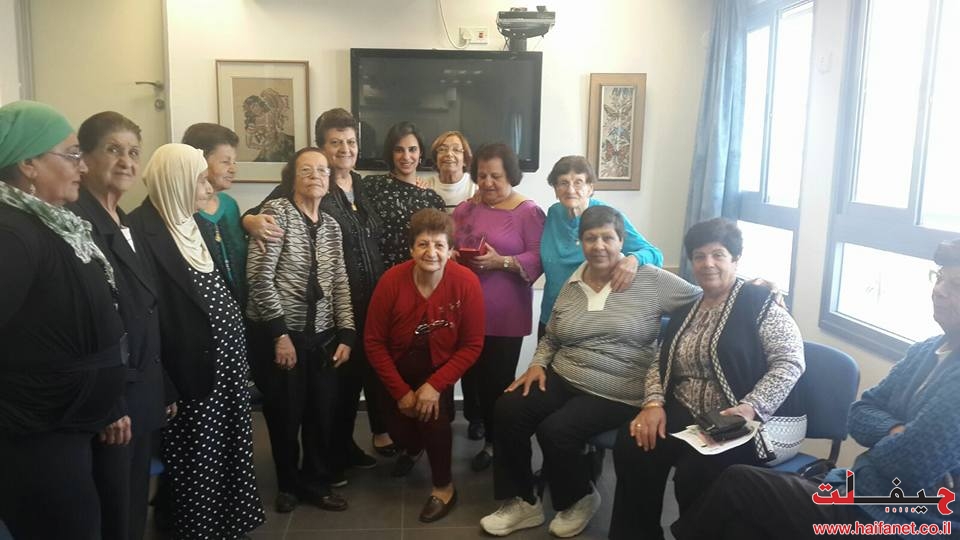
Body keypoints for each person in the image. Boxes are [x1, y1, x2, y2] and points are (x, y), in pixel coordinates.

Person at [672, 238, 960, 540]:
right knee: (740, 522)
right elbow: (860, 413)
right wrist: (897, 432)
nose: (939, 290)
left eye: (955, 284)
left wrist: (887, 446)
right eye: (939, 277)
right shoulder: (925, 351)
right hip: (854, 490)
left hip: (901, 519)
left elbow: (908, 466)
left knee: (739, 485)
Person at [479, 206, 701, 537]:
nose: (599, 246)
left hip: (619, 384)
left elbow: (705, 297)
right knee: (509, 408)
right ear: (580, 243)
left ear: (621, 241)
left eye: (607, 238)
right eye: (590, 238)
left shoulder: (651, 279)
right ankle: (523, 501)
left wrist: (753, 288)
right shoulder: (572, 284)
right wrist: (538, 363)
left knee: (556, 430)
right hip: (565, 374)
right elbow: (553, 336)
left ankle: (579, 498)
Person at [609, 217, 806, 540]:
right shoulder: (687, 309)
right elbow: (660, 362)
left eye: (718, 255)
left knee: (695, 471)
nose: (708, 263)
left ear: (736, 259)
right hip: (691, 413)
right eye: (699, 256)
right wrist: (653, 404)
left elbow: (790, 362)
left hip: (750, 419)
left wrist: (751, 407)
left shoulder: (759, 303)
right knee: (634, 442)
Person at [0, 100, 126, 539]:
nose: (83, 166)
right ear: (29, 164)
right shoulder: (12, 232)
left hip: (73, 420)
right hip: (39, 431)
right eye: (71, 154)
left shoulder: (53, 223)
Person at [242, 108, 396, 463]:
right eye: (335, 142)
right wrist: (247, 220)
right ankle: (328, 456)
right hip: (322, 310)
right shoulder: (309, 181)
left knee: (353, 378)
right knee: (332, 386)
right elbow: (261, 214)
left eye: (351, 141)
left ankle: (342, 447)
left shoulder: (360, 184)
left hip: (363, 303)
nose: (345, 149)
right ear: (321, 147)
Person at [127, 143, 264, 539]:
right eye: (200, 179)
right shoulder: (141, 232)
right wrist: (164, 384)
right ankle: (198, 529)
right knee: (196, 457)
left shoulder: (192, 224)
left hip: (224, 367)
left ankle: (230, 522)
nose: (208, 188)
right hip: (187, 372)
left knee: (229, 446)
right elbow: (147, 318)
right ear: (176, 181)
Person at [68, 111, 171, 540]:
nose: (126, 161)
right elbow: (87, 325)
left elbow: (145, 310)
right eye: (113, 150)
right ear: (85, 158)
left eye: (133, 152)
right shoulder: (77, 225)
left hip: (140, 390)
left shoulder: (123, 221)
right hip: (111, 400)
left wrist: (163, 383)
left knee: (132, 503)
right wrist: (110, 403)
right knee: (112, 511)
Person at [246, 147, 355, 514]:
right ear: (292, 177)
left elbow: (339, 281)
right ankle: (288, 485)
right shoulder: (276, 213)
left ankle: (316, 483)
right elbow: (259, 280)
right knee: (284, 415)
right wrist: (280, 335)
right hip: (283, 335)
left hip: (322, 337)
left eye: (322, 170)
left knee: (321, 413)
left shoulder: (332, 226)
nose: (316, 176)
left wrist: (347, 333)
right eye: (306, 170)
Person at [365, 208, 485, 522]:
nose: (431, 252)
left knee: (435, 422)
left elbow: (472, 345)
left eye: (439, 245)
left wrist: (434, 386)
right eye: (423, 244)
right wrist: (401, 392)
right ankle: (413, 446)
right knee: (400, 430)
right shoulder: (391, 280)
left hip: (437, 369)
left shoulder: (466, 282)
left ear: (450, 250)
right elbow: (374, 342)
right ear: (411, 249)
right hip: (395, 368)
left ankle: (444, 487)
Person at [451, 142, 545, 472]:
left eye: (496, 176)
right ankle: (477, 422)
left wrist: (501, 261)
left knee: (496, 381)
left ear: (511, 176)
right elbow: (451, 242)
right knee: (471, 377)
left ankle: (495, 443)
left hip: (506, 312)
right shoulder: (465, 209)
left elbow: (539, 257)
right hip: (466, 308)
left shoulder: (528, 211)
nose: (488, 183)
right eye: (482, 176)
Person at [539, 155, 663, 338]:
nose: (570, 189)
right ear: (556, 190)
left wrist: (634, 259)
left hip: (586, 320)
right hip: (550, 315)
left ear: (590, 188)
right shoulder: (553, 213)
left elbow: (655, 254)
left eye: (578, 182)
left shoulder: (605, 217)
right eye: (563, 183)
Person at [424, 130, 484, 441]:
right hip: (434, 279)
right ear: (434, 158)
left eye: (457, 149)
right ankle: (440, 412)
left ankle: (476, 416)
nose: (450, 154)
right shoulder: (424, 187)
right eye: (443, 149)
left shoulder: (477, 189)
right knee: (438, 345)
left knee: (470, 347)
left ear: (466, 157)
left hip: (469, 279)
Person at [182, 122, 248, 308]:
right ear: (200, 161)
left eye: (234, 162)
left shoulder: (230, 205)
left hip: (240, 307)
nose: (233, 169)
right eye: (225, 162)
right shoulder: (182, 209)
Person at [362, 121, 445, 269]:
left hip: (420, 276)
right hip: (380, 275)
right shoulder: (371, 186)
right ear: (391, 153)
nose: (406, 156)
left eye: (412, 149)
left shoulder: (433, 200)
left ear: (420, 153)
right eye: (399, 150)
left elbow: (440, 246)